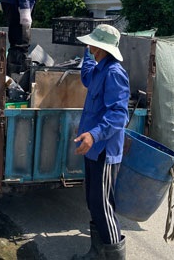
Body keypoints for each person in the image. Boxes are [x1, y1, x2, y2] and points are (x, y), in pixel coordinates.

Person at [72, 24, 130, 260]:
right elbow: (86, 77)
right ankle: (97, 253)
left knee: (103, 205)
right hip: (92, 149)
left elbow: (119, 114)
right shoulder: (98, 69)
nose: (90, 46)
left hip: (104, 149)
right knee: (93, 201)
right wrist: (86, 54)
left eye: (93, 44)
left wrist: (94, 134)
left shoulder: (115, 73)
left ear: (103, 47)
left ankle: (114, 256)